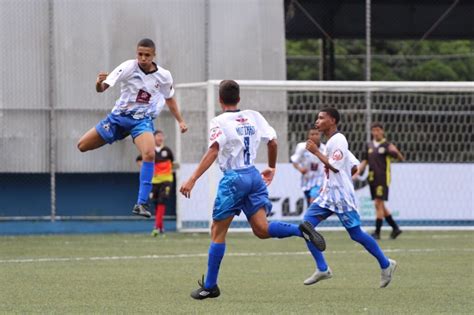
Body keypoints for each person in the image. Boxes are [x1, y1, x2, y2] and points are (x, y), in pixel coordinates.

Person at [179, 80, 325, 300]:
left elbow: (213, 151)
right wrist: (273, 167)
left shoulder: (219, 121)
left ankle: (210, 286)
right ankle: (300, 230)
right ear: (239, 98)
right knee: (261, 229)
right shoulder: (254, 116)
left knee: (217, 232)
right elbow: (273, 142)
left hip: (234, 179)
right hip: (253, 176)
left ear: (220, 100)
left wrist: (192, 179)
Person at [77, 38, 187, 218]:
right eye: (140, 54)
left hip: (141, 121)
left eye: (147, 55)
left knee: (150, 153)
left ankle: (141, 203)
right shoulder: (128, 67)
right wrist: (98, 83)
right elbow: (102, 88)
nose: (143, 58)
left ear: (154, 55)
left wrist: (180, 121)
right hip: (118, 118)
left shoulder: (164, 76)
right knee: (82, 146)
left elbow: (170, 98)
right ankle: (113, 135)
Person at [302, 107, 396, 288]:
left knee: (356, 234)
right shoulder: (333, 142)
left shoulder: (339, 140)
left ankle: (386, 264)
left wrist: (316, 152)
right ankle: (322, 268)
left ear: (333, 121)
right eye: (317, 118)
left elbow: (336, 166)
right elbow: (353, 167)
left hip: (341, 196)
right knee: (306, 225)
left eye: (321, 118)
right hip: (328, 194)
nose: (317, 121)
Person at [358, 122, 404, 240]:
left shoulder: (387, 145)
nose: (376, 132)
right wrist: (356, 173)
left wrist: (396, 151)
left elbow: (400, 158)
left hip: (383, 178)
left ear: (382, 131)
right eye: (374, 130)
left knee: (378, 203)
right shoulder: (369, 146)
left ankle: (377, 232)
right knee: (380, 205)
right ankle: (395, 228)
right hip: (372, 178)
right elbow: (364, 161)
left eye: (378, 130)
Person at [291, 127, 325, 206]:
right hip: (306, 180)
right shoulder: (302, 147)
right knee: (310, 204)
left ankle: (310, 217)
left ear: (320, 135)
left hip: (319, 179)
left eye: (317, 134)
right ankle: (311, 218)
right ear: (308, 136)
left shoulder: (324, 148)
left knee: (313, 201)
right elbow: (294, 161)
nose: (314, 136)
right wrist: (300, 169)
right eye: (312, 134)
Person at [150, 130, 176, 236]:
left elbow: (172, 162)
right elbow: (139, 160)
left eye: (161, 136)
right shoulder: (150, 150)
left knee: (162, 201)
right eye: (158, 136)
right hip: (155, 181)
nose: (160, 138)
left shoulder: (167, 151)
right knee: (156, 203)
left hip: (166, 180)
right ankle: (161, 228)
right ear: (154, 138)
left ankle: (156, 227)